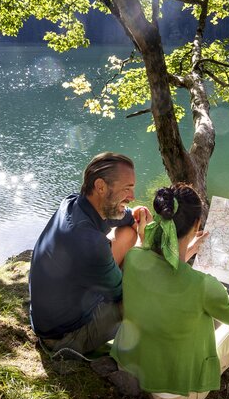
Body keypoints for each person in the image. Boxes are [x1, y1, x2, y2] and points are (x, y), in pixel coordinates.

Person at [110, 183, 229, 399]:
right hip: (173, 396)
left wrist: (187, 249)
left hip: (129, 368)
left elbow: (162, 272)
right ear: (198, 224)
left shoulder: (134, 258)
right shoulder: (202, 285)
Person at [28, 152, 152, 355]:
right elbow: (125, 294)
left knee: (128, 233)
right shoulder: (90, 243)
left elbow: (111, 217)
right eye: (127, 189)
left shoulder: (72, 203)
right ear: (101, 187)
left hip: (48, 317)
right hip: (66, 336)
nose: (132, 197)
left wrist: (132, 215)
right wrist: (143, 244)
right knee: (145, 297)